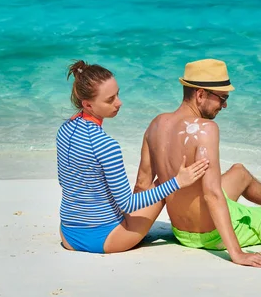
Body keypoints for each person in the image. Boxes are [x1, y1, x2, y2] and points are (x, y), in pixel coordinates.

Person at [134, 58, 261, 267]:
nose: (225, 105)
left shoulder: (157, 124)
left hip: (183, 230)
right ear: (200, 94)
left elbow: (143, 184)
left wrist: (131, 230)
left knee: (239, 171)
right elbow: (212, 194)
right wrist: (237, 253)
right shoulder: (206, 129)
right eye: (222, 98)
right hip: (210, 234)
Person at [57, 60, 209, 254]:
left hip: (68, 234)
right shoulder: (106, 146)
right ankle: (191, 227)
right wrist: (177, 182)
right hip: (105, 239)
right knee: (165, 177)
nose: (119, 103)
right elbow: (128, 204)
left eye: (118, 94)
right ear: (88, 104)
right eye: (110, 99)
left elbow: (64, 181)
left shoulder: (64, 130)